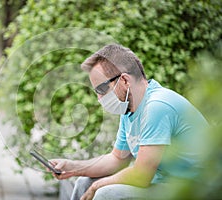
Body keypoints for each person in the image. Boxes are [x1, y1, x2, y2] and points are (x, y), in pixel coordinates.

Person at [49, 44, 208, 200]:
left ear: (124, 80)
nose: (99, 99)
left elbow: (141, 175)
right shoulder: (130, 109)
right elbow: (117, 159)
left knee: (106, 193)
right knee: (84, 183)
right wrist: (72, 167)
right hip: (162, 183)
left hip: (193, 188)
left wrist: (98, 186)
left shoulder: (157, 106)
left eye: (102, 89)